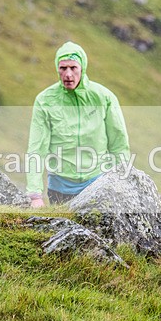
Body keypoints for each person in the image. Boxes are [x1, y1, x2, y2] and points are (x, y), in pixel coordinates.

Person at [26, 41, 130, 207]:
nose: (68, 74)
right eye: (63, 68)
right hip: (60, 188)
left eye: (73, 68)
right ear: (57, 69)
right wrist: (35, 195)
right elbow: (36, 149)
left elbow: (118, 144)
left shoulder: (104, 97)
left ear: (82, 68)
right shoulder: (45, 101)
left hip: (98, 184)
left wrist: (124, 183)